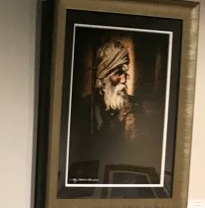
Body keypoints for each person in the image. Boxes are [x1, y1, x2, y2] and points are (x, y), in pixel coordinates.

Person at [67, 38, 163, 184]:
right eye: (118, 73)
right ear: (104, 76)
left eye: (125, 72)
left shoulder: (135, 103)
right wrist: (118, 120)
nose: (124, 79)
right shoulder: (86, 107)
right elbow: (83, 153)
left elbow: (149, 150)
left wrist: (136, 130)